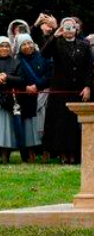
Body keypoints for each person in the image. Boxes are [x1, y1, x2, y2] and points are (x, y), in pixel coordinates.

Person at [41, 18, 92, 164]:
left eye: (72, 27)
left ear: (77, 29)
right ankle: (62, 153)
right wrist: (55, 35)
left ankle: (74, 153)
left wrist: (87, 86)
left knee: (74, 123)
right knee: (61, 123)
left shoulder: (84, 45)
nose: (69, 30)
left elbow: (88, 67)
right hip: (60, 90)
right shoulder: (56, 42)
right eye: (66, 27)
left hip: (78, 89)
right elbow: (44, 54)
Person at [15, 34, 51, 163]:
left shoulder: (43, 56)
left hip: (43, 95)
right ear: (19, 47)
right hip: (26, 97)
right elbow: (16, 77)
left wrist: (38, 85)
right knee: (29, 126)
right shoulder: (17, 60)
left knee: (45, 124)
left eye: (29, 43)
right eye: (23, 44)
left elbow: (50, 73)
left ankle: (46, 152)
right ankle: (31, 154)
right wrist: (26, 87)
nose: (27, 46)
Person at [0, 37, 24, 163]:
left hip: (8, 100)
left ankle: (5, 155)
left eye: (6, 46)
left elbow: (21, 80)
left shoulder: (16, 62)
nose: (4, 48)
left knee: (6, 129)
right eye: (1, 46)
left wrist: (7, 77)